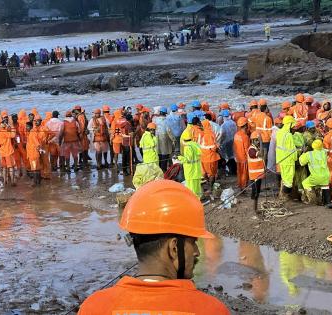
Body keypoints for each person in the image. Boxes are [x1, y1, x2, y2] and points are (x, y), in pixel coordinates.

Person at [78, 180, 229, 315]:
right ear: (174, 248)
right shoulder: (212, 310)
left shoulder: (93, 307)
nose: (196, 251)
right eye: (193, 241)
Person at [299, 139, 330, 205]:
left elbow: (301, 162)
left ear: (313, 146)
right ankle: (327, 202)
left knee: (305, 183)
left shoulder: (309, 154)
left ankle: (313, 200)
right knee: (324, 186)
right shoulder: (324, 152)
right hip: (326, 176)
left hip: (316, 176)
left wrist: (303, 152)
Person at [276, 116, 298, 200]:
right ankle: (284, 198)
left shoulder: (280, 132)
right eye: (293, 125)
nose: (294, 128)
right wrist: (296, 159)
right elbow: (292, 150)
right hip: (288, 161)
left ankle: (281, 196)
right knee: (289, 182)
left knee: (285, 179)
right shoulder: (288, 135)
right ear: (289, 125)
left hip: (281, 160)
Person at [178, 134, 202, 199]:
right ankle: (199, 198)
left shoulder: (187, 147)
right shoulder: (195, 145)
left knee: (191, 187)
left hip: (190, 171)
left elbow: (187, 159)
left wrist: (179, 158)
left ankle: (193, 200)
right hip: (197, 169)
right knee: (197, 186)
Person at [248, 132, 265, 212]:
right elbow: (261, 154)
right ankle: (255, 210)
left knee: (257, 192)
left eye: (258, 140)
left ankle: (256, 209)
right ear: (253, 140)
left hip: (259, 175)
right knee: (255, 193)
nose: (258, 142)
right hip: (254, 176)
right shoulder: (251, 150)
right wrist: (261, 142)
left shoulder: (256, 148)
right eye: (257, 140)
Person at [110, 110, 132, 175]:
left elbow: (112, 132)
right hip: (124, 139)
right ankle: (126, 167)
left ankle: (116, 165)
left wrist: (110, 140)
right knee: (124, 154)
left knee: (116, 154)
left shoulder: (114, 122)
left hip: (116, 140)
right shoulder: (125, 120)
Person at [153, 107, 174, 172]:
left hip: (157, 137)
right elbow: (169, 131)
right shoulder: (166, 120)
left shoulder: (155, 120)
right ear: (165, 114)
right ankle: (163, 170)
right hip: (165, 138)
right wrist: (173, 139)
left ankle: (159, 169)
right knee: (165, 153)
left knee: (159, 153)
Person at [0, 120, 16, 186]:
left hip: (1, 152)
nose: (5, 124)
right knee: (11, 167)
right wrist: (12, 127)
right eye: (3, 123)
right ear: (1, 124)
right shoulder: (5, 131)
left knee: (4, 167)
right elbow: (13, 135)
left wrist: (0, 148)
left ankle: (5, 181)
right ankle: (12, 182)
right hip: (8, 152)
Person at [234, 117, 250, 190]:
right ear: (246, 125)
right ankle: (243, 187)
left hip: (238, 157)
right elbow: (247, 150)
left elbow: (234, 146)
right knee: (244, 174)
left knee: (239, 173)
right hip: (244, 158)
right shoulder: (245, 137)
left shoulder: (236, 134)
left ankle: (240, 185)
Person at [26, 122, 42, 186]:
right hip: (33, 154)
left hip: (33, 155)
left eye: (27, 126)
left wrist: (38, 149)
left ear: (30, 127)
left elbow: (37, 143)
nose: (26, 128)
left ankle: (35, 182)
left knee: (34, 169)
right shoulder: (32, 132)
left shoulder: (32, 133)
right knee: (37, 168)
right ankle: (38, 182)